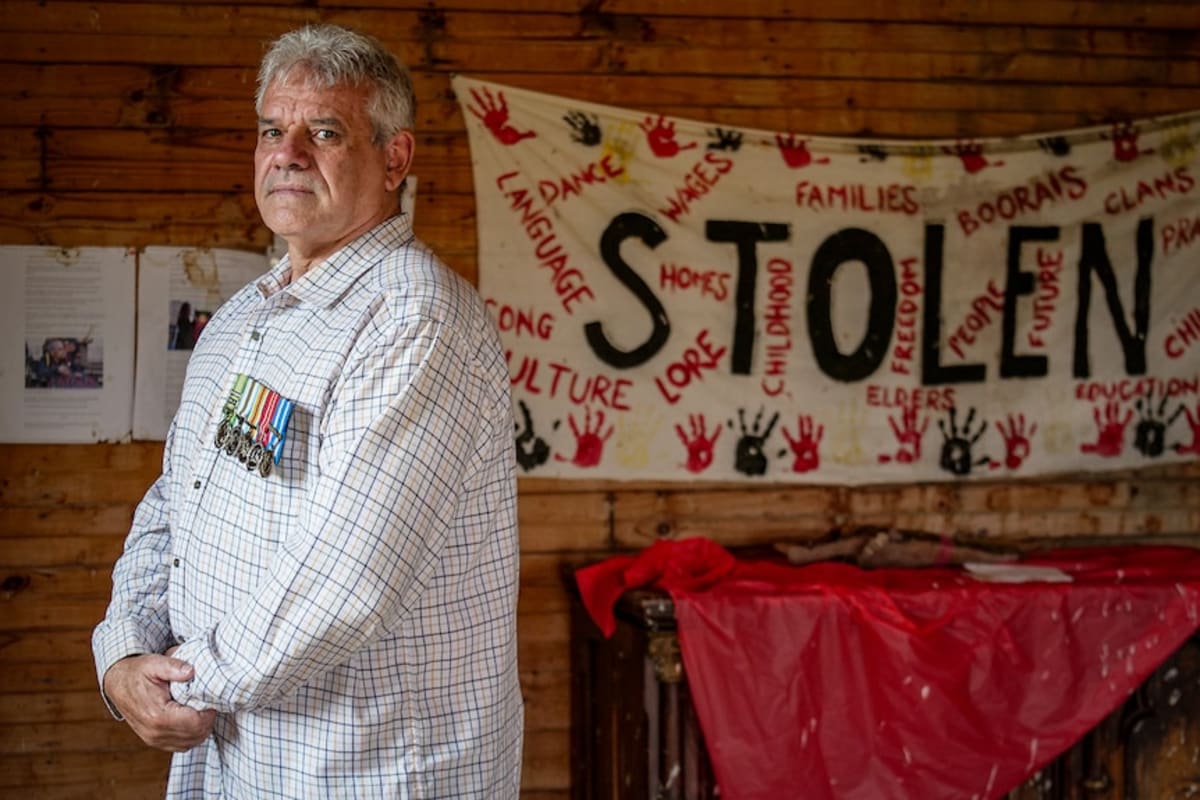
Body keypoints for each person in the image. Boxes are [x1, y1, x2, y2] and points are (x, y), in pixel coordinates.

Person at [92, 24, 522, 798]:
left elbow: (345, 583)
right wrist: (123, 652)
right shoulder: (241, 320)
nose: (286, 152)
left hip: (364, 769)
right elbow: (172, 506)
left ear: (395, 158)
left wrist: (175, 685)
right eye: (270, 130)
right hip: (227, 756)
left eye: (323, 131)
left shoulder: (414, 320)